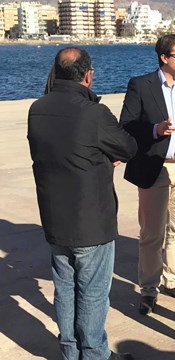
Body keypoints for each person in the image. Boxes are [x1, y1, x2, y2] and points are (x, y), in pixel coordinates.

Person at [27, 47, 137, 360]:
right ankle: (94, 353)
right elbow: (128, 146)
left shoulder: (37, 108)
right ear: (88, 75)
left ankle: (70, 351)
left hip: (54, 217)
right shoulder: (93, 112)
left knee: (64, 287)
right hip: (92, 220)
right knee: (92, 291)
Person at [119, 34, 175, 315]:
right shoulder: (141, 85)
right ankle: (149, 289)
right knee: (152, 233)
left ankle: (174, 281)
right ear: (164, 58)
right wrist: (155, 130)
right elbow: (126, 125)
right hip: (155, 165)